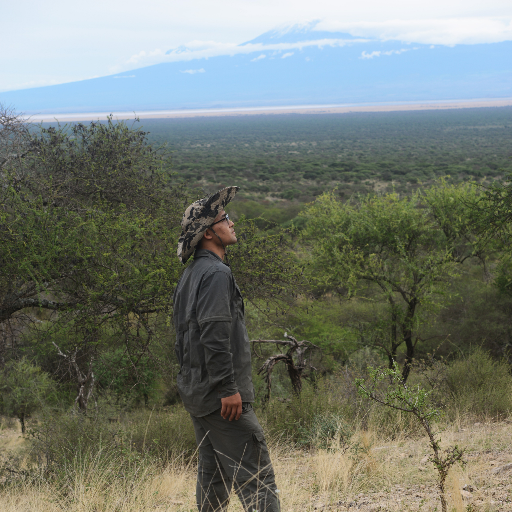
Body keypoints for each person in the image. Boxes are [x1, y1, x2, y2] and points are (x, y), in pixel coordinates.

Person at [173, 186, 281, 512]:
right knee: (258, 481)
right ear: (209, 232)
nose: (232, 223)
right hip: (222, 399)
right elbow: (215, 335)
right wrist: (228, 388)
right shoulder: (216, 273)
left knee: (213, 482)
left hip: (198, 395)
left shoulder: (189, 274)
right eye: (225, 218)